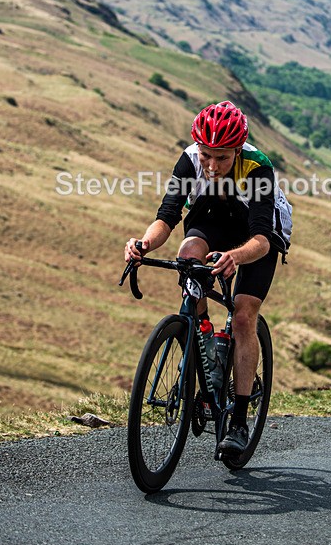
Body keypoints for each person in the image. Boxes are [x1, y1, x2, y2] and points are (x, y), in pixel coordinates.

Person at [125, 100, 292, 454]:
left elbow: (261, 239)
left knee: (244, 315)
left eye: (222, 158)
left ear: (237, 150)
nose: (212, 166)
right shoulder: (189, 161)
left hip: (259, 232)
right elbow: (167, 217)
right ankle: (206, 344)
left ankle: (239, 422)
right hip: (214, 216)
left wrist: (235, 256)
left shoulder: (258, 168)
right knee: (188, 257)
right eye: (206, 156)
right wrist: (143, 244)